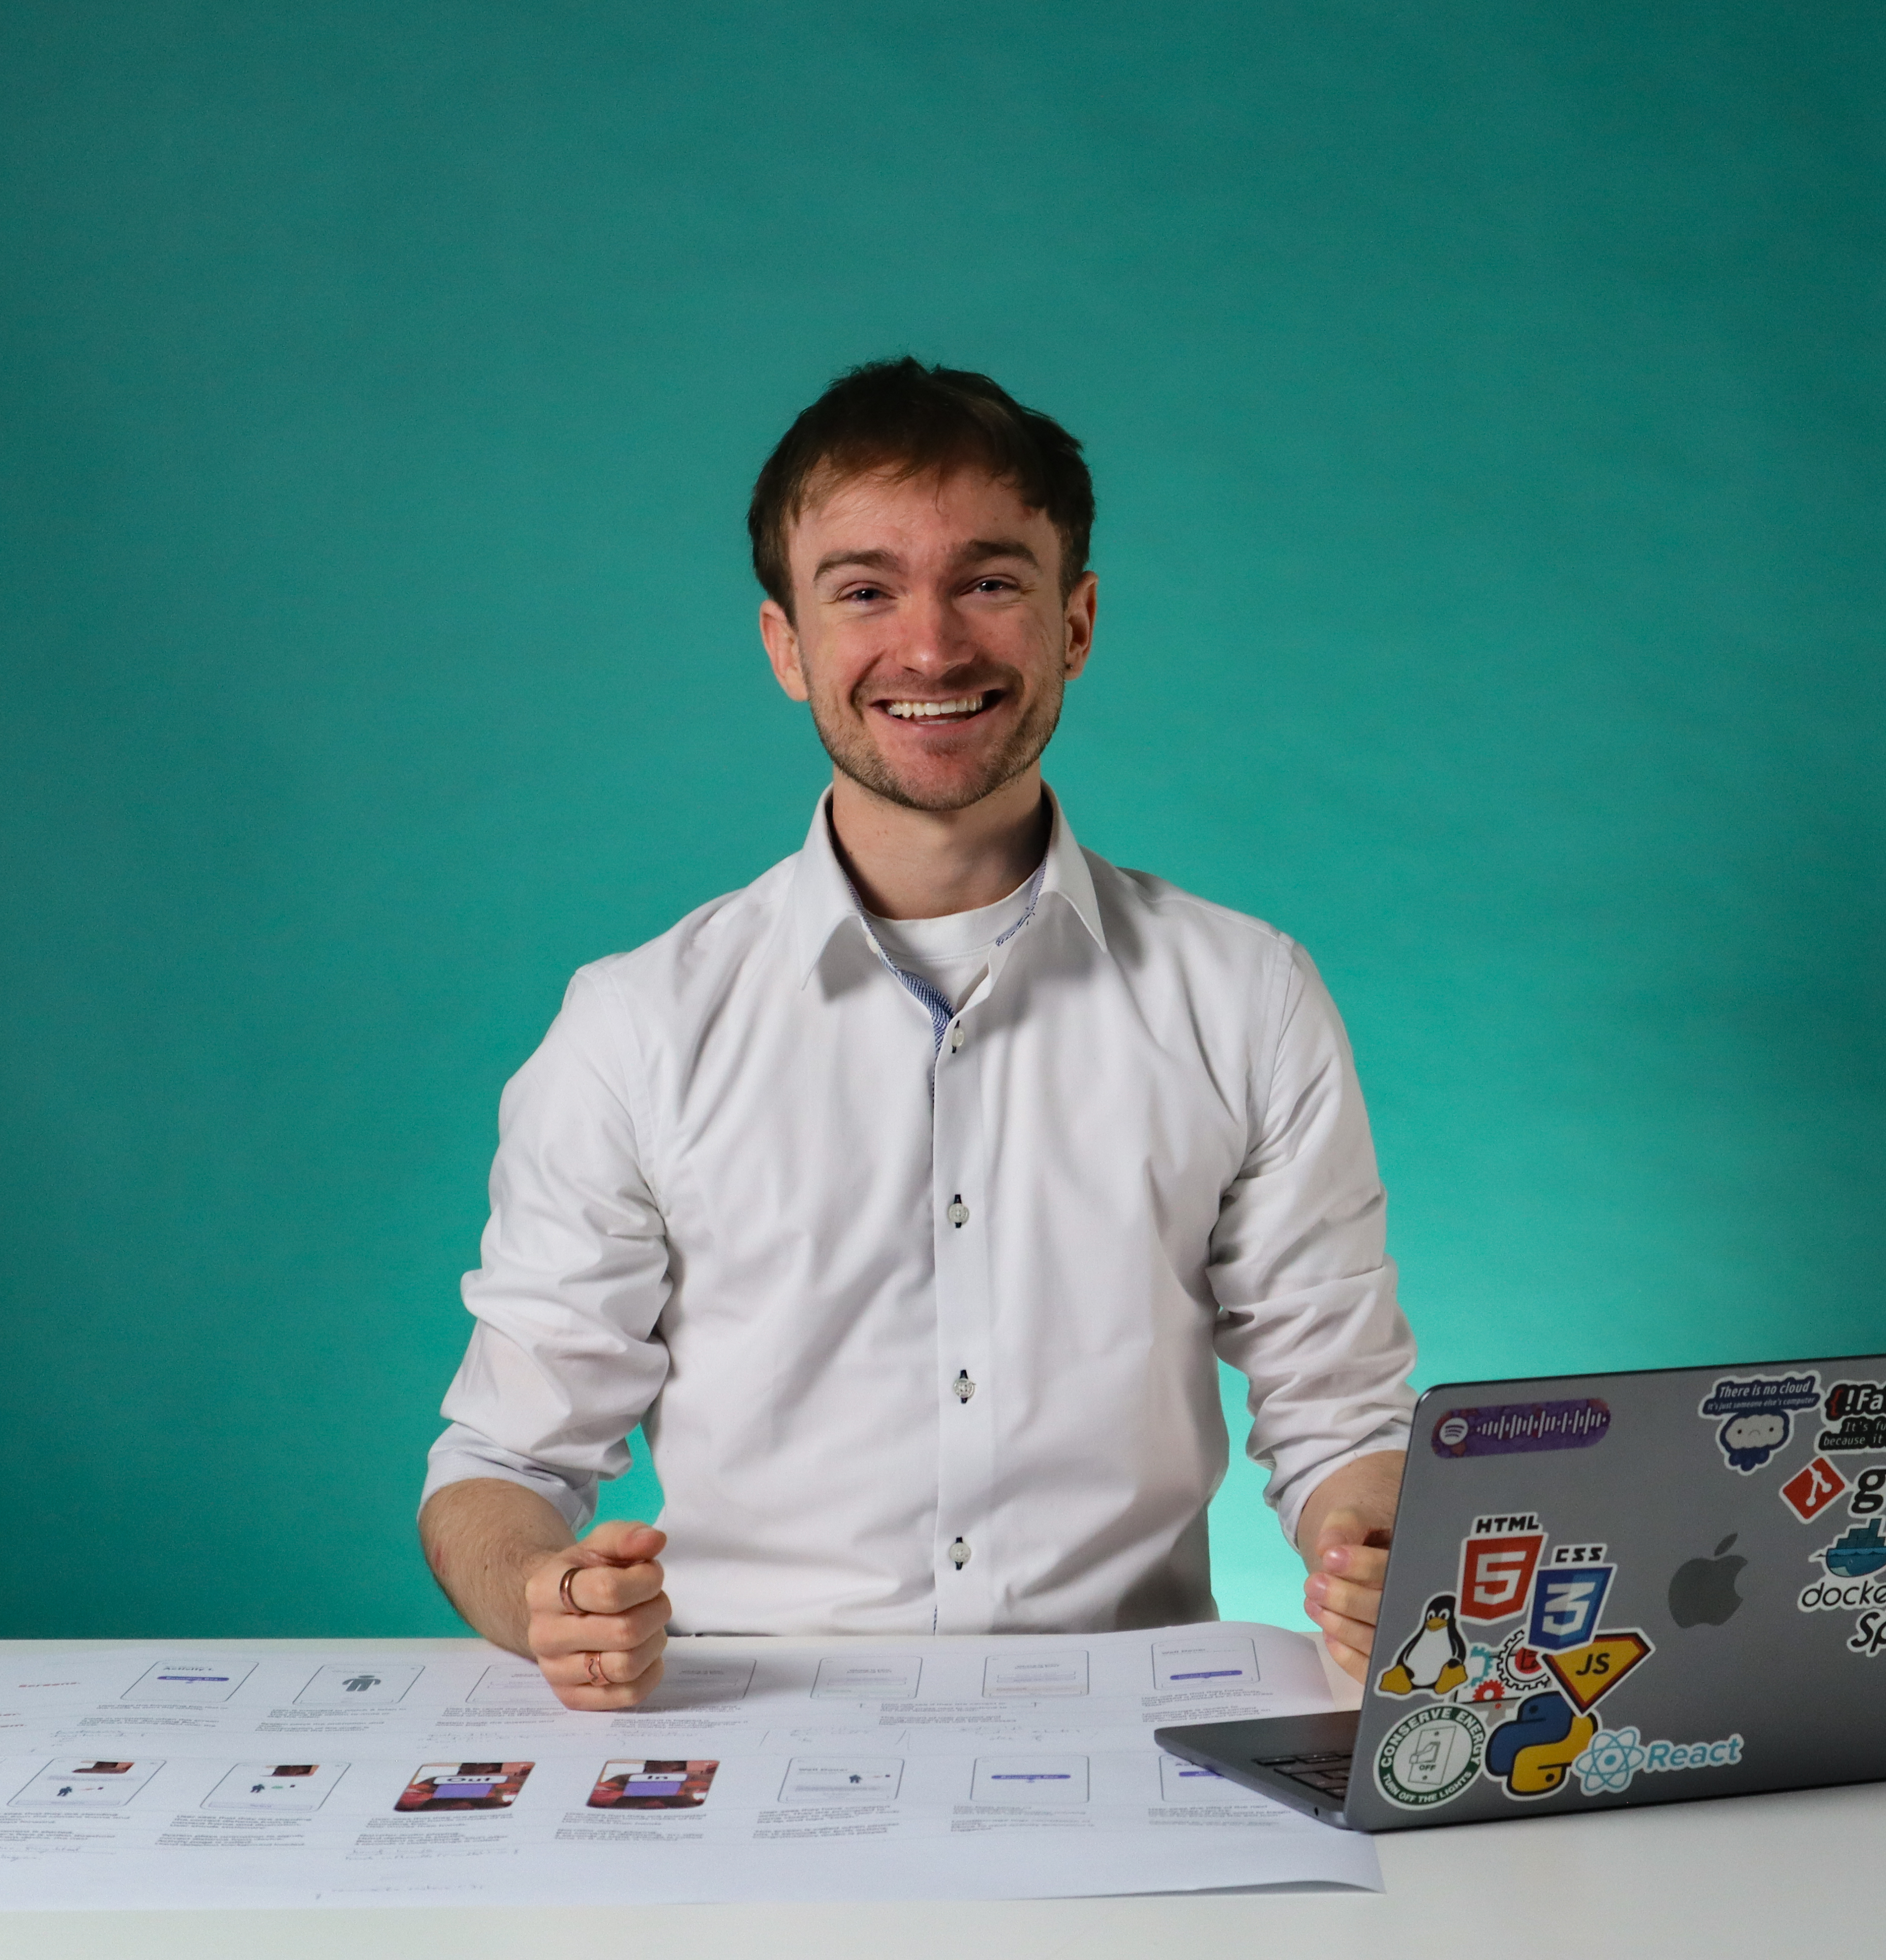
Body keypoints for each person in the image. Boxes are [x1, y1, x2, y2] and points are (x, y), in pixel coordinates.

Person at [418, 358, 1417, 1710]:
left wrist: (1375, 1558)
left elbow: (1340, 1417)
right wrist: (545, 1595)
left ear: (1077, 623)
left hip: (1134, 1730)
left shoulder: (1245, 996)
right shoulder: (636, 1025)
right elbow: (502, 1465)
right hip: (745, 1732)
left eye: (991, 584)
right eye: (865, 591)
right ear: (788, 645)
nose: (934, 649)